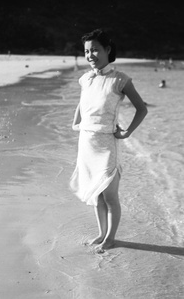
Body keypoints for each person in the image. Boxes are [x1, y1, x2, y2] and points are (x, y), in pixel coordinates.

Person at [70, 28, 148, 253]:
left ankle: (111, 238)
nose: (90, 55)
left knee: (110, 194)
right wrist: (76, 124)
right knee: (97, 193)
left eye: (95, 49)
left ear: (107, 50)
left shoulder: (120, 79)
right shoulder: (85, 78)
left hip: (106, 145)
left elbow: (141, 109)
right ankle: (102, 233)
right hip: (86, 144)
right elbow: (82, 103)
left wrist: (127, 133)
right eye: (87, 51)